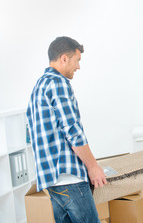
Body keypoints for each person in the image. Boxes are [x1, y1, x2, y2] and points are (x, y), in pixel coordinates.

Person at [26, 36, 107, 223]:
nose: (78, 67)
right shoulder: (58, 83)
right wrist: (93, 167)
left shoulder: (39, 86)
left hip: (51, 180)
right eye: (77, 60)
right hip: (69, 178)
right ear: (64, 58)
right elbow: (73, 131)